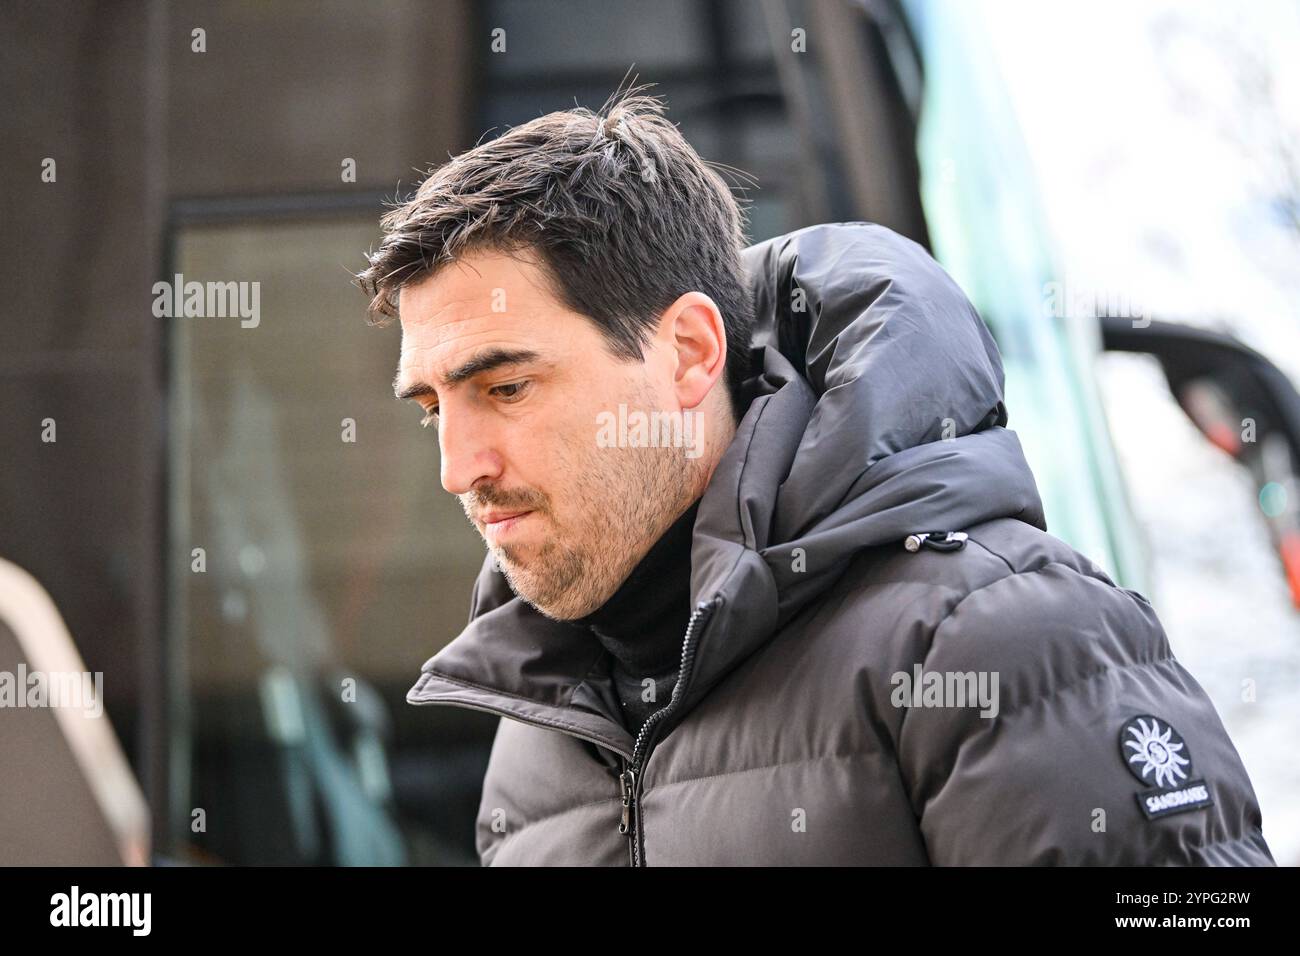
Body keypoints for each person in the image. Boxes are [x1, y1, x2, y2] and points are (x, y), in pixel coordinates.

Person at [356, 87, 1274, 866]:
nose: (456, 468)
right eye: (435, 407)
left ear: (686, 353)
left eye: (506, 386)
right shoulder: (536, 742)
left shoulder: (1000, 645)